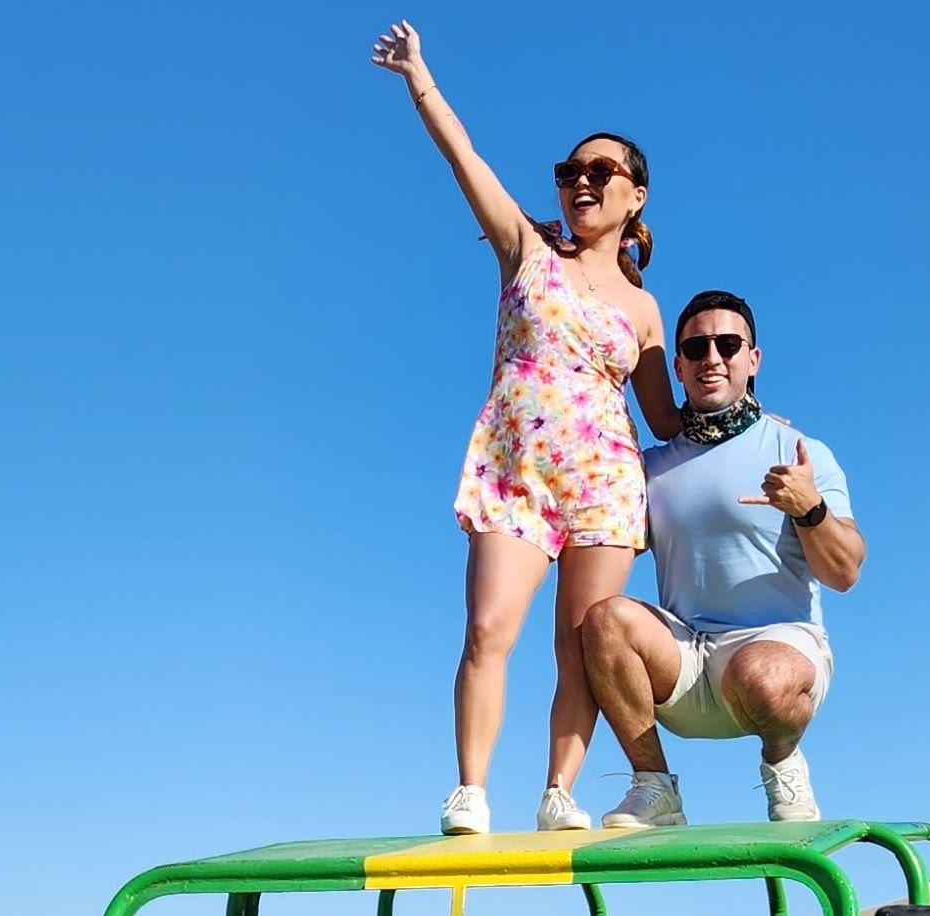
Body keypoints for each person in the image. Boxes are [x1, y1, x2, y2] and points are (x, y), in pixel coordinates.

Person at [371, 20, 681, 837]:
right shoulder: (524, 250)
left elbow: (663, 419)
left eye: (600, 171)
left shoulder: (645, 310)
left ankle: (559, 791)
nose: (581, 182)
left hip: (606, 484)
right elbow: (463, 157)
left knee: (581, 645)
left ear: (634, 194)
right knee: (487, 628)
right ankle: (471, 790)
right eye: (569, 171)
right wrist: (419, 80)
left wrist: (743, 434)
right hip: (519, 472)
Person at [583, 290, 865, 826]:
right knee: (603, 619)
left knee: (760, 674)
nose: (712, 357)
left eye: (728, 344)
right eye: (696, 347)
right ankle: (654, 785)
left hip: (773, 650)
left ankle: (783, 764)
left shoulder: (798, 451)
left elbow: (846, 571)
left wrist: (810, 510)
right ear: (679, 366)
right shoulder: (649, 466)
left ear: (752, 360)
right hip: (685, 656)